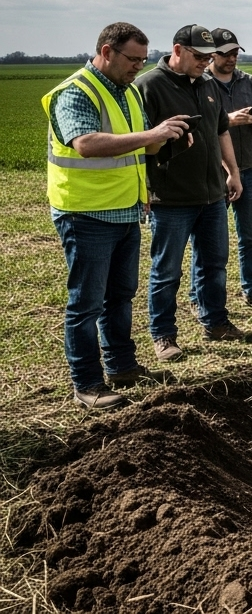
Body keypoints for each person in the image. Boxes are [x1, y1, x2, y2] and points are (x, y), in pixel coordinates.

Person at [42, 23, 192, 409]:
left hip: (125, 210)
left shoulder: (127, 93)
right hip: (86, 213)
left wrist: (166, 138)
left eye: (143, 60)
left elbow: (133, 150)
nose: (138, 67)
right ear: (107, 52)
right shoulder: (75, 92)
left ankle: (122, 366)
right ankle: (88, 385)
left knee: (120, 297)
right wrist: (150, 135)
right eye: (132, 59)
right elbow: (87, 144)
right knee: (86, 303)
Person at [136, 24, 252, 363]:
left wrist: (233, 173)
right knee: (167, 269)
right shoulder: (149, 87)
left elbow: (221, 133)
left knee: (214, 263)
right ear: (177, 50)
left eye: (209, 56)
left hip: (212, 196)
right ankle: (163, 334)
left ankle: (215, 322)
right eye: (200, 56)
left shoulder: (208, 86)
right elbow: (140, 143)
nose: (206, 62)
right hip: (171, 198)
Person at [205, 28, 252, 305]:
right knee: (212, 241)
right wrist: (228, 120)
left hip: (248, 168)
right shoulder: (201, 83)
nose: (232, 58)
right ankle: (207, 297)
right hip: (214, 172)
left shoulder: (251, 83)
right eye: (226, 53)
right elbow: (198, 126)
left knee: (250, 236)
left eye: (235, 53)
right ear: (212, 53)